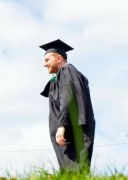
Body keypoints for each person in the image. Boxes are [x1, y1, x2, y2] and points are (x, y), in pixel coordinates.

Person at [40, 39, 95, 172]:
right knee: (70, 172)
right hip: (68, 134)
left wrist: (62, 126)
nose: (44, 64)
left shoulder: (67, 71)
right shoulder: (62, 76)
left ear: (58, 58)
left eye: (47, 60)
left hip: (71, 134)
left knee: (75, 171)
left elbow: (68, 98)